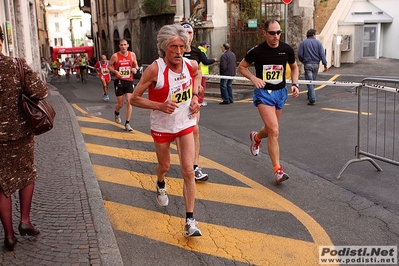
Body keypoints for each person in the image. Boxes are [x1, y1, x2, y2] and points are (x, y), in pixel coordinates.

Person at [130, 24, 202, 237]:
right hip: (162, 126)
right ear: (164, 48)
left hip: (185, 123)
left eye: (182, 46)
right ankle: (160, 182)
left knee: (188, 171)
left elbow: (196, 77)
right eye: (174, 47)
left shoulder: (191, 65)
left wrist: (195, 98)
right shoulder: (155, 69)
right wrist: (159, 106)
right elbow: (134, 99)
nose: (179, 52)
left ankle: (190, 221)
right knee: (165, 165)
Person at [0, 26, 46, 251]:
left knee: (1, 185)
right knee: (26, 173)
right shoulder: (16, 64)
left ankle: (9, 236)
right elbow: (41, 91)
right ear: (2, 41)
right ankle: (24, 220)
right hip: (20, 133)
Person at [237, 19, 300, 184]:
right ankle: (278, 170)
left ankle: (256, 138)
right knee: (274, 130)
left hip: (280, 93)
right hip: (263, 93)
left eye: (279, 32)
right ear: (264, 32)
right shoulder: (256, 51)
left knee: (272, 129)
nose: (276, 36)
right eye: (272, 33)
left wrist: (295, 84)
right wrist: (253, 78)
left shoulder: (286, 49)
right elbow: (241, 67)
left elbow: (294, 67)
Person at [182, 22, 208, 182]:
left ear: (193, 35)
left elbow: (197, 73)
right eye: (184, 32)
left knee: (195, 130)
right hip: (174, 100)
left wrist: (196, 93)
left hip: (191, 97)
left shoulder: (197, 52)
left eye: (190, 32)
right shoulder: (169, 50)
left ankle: (194, 166)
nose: (187, 35)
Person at [108, 39, 139, 132]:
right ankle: (116, 112)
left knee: (129, 102)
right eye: (121, 45)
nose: (123, 47)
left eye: (125, 45)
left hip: (129, 80)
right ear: (119, 46)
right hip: (119, 81)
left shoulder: (132, 55)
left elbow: (136, 65)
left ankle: (127, 123)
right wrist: (115, 71)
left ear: (128, 45)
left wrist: (135, 69)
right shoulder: (115, 56)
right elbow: (109, 66)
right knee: (121, 104)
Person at [298, 28, 328, 105]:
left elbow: (300, 54)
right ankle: (311, 96)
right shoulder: (318, 43)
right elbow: (322, 54)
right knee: (313, 82)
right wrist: (325, 64)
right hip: (316, 64)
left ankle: (311, 97)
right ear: (314, 34)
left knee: (309, 82)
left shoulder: (303, 43)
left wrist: (303, 61)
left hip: (307, 64)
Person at [198, 41, 219, 106]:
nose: (207, 48)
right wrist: (213, 60)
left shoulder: (200, 51)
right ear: (203, 46)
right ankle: (200, 100)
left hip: (200, 72)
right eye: (207, 46)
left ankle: (199, 100)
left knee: (199, 86)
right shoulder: (201, 52)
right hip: (201, 72)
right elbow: (205, 62)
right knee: (201, 87)